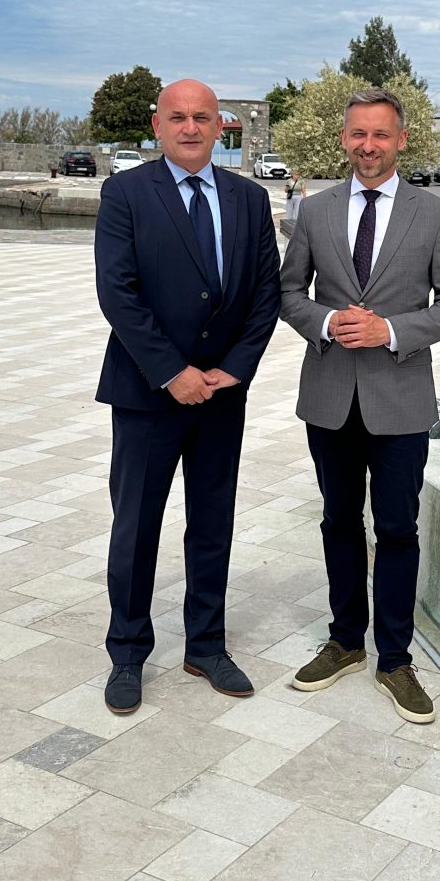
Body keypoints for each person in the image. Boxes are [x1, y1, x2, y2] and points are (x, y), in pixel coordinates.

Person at [279, 87, 440, 723]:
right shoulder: (315, 211)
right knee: (339, 522)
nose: (369, 146)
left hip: (400, 400)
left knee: (396, 529)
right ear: (345, 139)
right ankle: (344, 642)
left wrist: (390, 330)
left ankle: (395, 659)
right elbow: (287, 293)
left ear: (401, 140)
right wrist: (326, 321)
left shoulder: (435, 213)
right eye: (359, 134)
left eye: (381, 135)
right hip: (330, 397)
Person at [94, 79, 280, 713]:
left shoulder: (250, 199)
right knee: (136, 526)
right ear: (158, 124)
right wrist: (172, 371)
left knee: (212, 524)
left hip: (222, 396)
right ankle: (127, 652)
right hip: (148, 394)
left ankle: (206, 644)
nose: (191, 128)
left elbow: (266, 293)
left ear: (221, 126)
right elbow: (118, 292)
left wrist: (235, 368)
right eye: (178, 117)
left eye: (202, 117)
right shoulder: (125, 193)